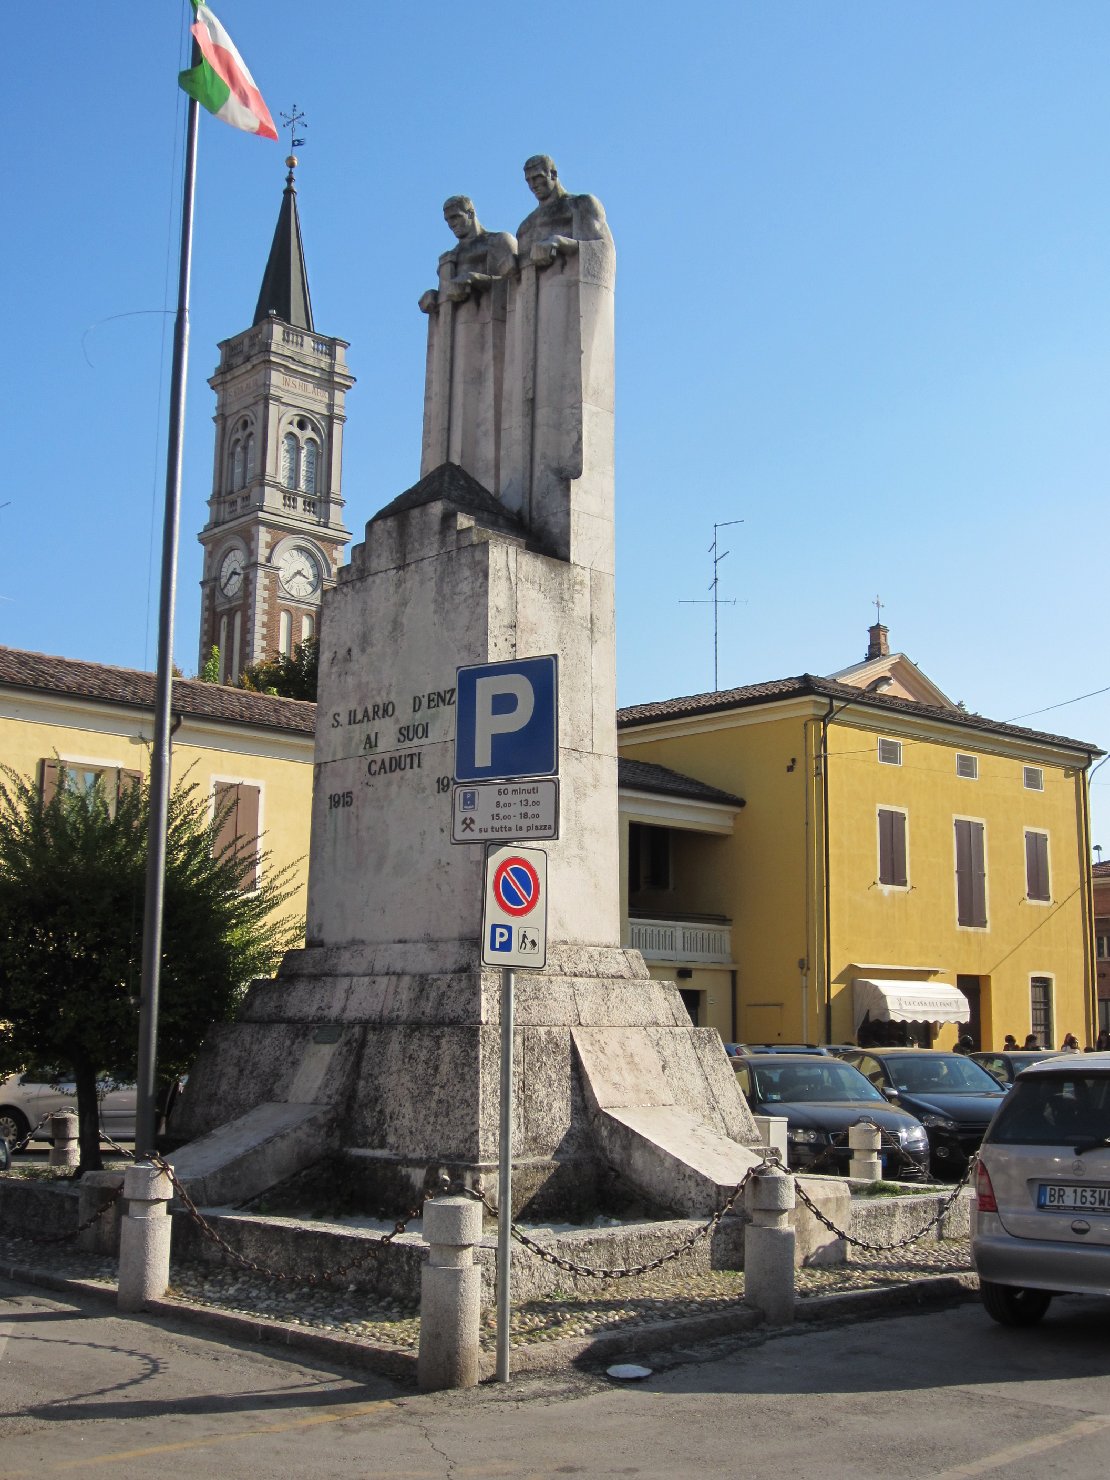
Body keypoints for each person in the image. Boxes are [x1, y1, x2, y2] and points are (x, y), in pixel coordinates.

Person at [515, 154, 611, 266]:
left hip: (570, 281)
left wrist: (560, 242)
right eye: (528, 180)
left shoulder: (581, 205)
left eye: (537, 177)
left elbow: (604, 249)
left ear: (553, 174)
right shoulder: (525, 227)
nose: (533, 185)